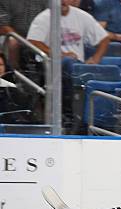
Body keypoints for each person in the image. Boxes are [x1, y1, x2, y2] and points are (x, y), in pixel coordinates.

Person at [27, 0, 110, 129]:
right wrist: (58, 54)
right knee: (67, 63)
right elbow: (33, 41)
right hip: (49, 67)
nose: (64, 1)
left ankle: (88, 122)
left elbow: (104, 38)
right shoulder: (44, 17)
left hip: (77, 67)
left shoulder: (81, 16)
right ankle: (68, 116)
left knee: (76, 66)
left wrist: (95, 59)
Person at [0, 0, 48, 68]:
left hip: (39, 36)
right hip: (15, 37)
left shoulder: (46, 2)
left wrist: (35, 40)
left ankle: (51, 73)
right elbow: (3, 26)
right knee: (13, 42)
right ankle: (13, 73)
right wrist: (24, 41)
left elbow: (50, 19)